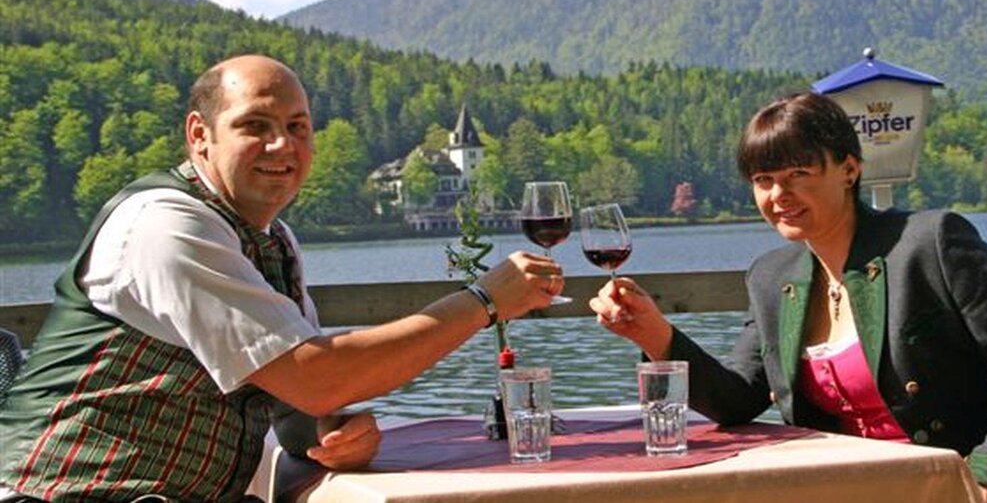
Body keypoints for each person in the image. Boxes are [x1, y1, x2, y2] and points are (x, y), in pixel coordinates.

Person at [0, 54, 565, 502]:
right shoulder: (167, 226)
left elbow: (299, 402)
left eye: (298, 127)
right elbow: (317, 377)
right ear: (200, 134)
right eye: (256, 126)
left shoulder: (274, 240)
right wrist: (481, 301)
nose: (283, 146)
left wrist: (330, 434)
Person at [589, 92, 987, 503]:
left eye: (798, 174)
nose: (778, 194)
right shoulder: (771, 277)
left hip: (974, 490)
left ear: (849, 169)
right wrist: (655, 334)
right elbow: (739, 399)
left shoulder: (929, 242)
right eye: (763, 181)